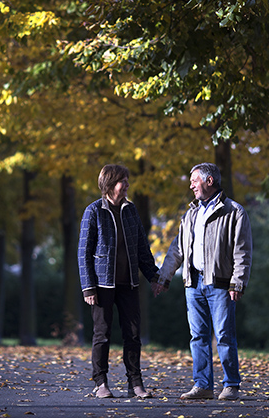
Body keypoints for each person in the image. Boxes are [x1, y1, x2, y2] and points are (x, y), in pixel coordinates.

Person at [151, 162, 253, 401]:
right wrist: (163, 278)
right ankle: (203, 385)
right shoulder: (190, 214)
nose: (190, 185)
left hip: (220, 283)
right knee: (198, 336)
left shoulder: (234, 212)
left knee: (224, 335)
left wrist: (237, 283)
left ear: (209, 181)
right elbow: (177, 249)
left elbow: (242, 251)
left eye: (194, 180)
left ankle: (231, 385)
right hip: (193, 283)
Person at [79, 164, 160, 399]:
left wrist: (154, 277)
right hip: (102, 286)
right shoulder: (93, 211)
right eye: (121, 181)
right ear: (109, 183)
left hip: (129, 284)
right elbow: (83, 253)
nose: (126, 185)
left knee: (133, 335)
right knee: (102, 335)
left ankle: (135, 384)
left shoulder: (131, 210)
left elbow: (142, 249)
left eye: (126, 180)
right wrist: (88, 287)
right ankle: (100, 383)